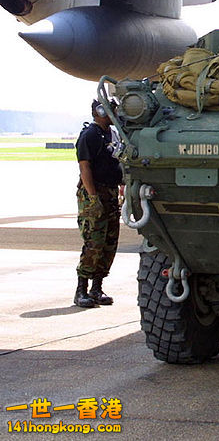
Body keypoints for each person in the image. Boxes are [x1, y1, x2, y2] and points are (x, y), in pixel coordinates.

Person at [74, 100, 123, 308]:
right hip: (95, 192)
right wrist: (93, 198)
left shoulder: (112, 134)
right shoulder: (90, 135)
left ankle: (96, 288)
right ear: (100, 112)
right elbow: (84, 168)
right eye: (112, 109)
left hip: (110, 192)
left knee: (109, 241)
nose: (116, 113)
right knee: (94, 241)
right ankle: (81, 290)